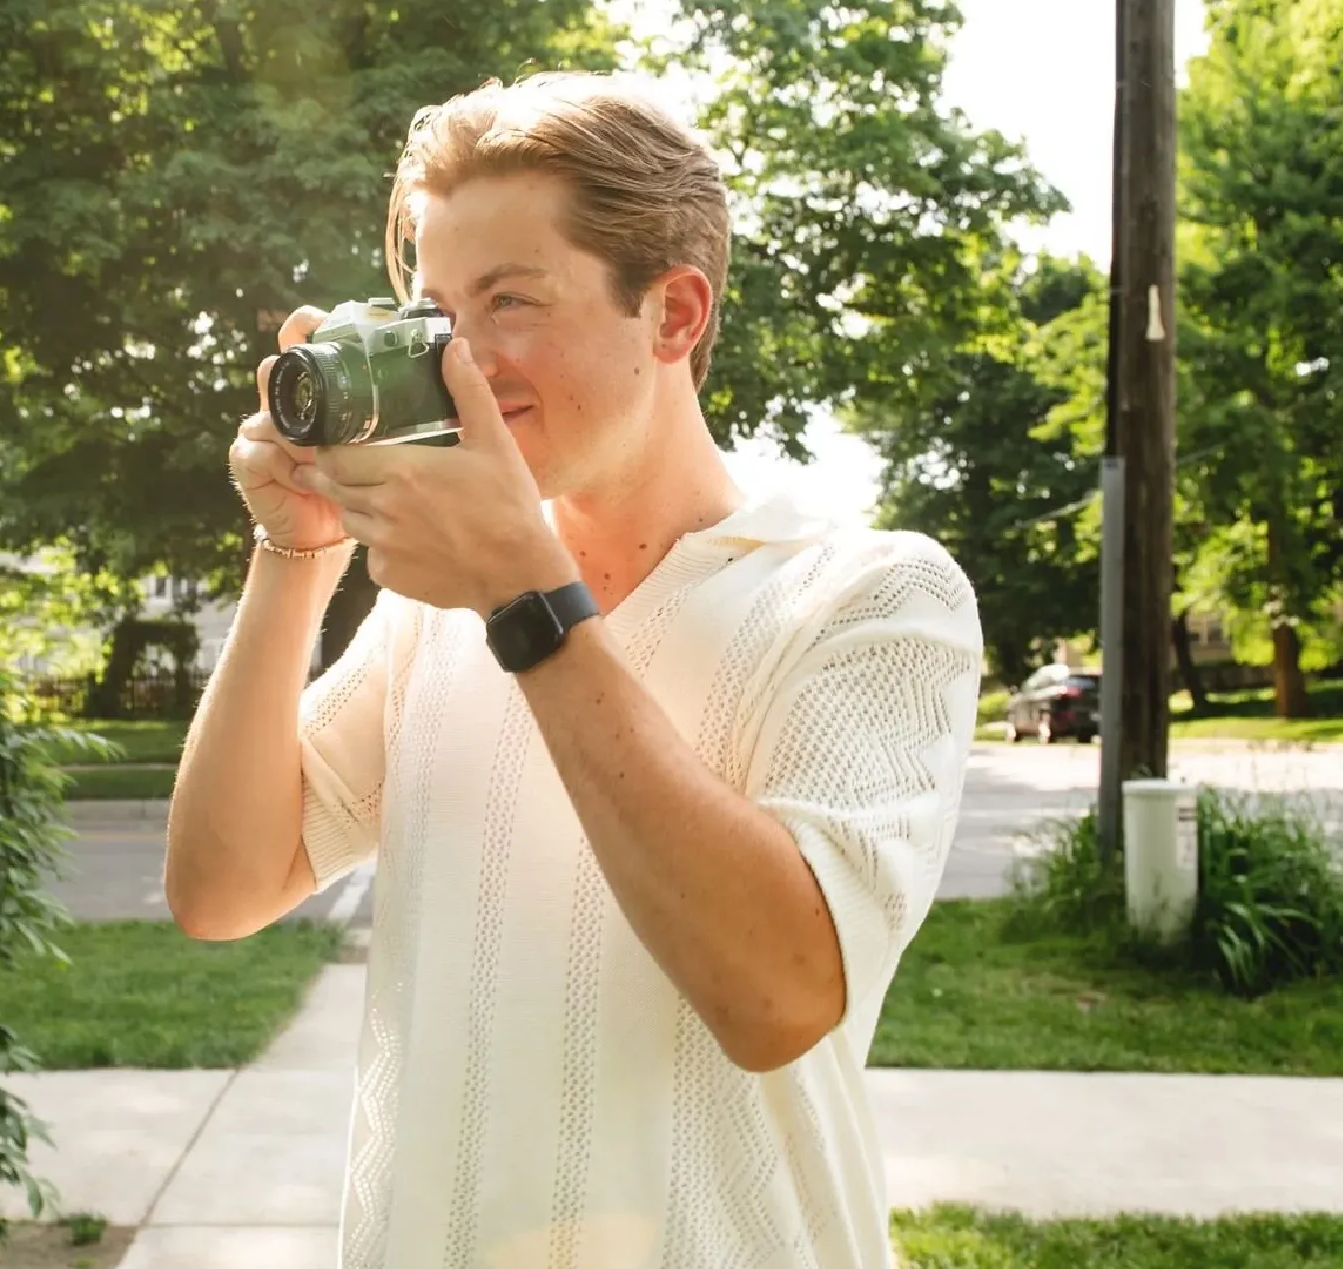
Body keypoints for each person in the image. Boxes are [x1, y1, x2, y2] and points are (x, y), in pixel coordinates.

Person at [165, 71, 983, 1269]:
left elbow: (780, 997)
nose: (460, 363)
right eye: (435, 313)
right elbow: (223, 887)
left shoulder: (864, 595)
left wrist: (525, 596)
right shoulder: (435, 615)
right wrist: (297, 549)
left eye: (510, 303)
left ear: (674, 313)